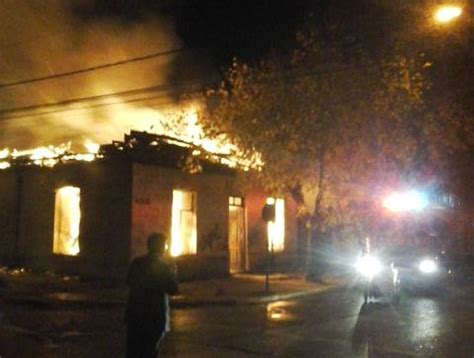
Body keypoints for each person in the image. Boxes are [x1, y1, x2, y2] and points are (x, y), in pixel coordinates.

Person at [125, 233, 178, 358]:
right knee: (150, 350)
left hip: (135, 315)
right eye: (165, 245)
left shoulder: (136, 263)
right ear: (160, 247)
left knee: (133, 351)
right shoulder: (164, 267)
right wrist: (173, 271)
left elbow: (129, 281)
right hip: (155, 317)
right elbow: (173, 289)